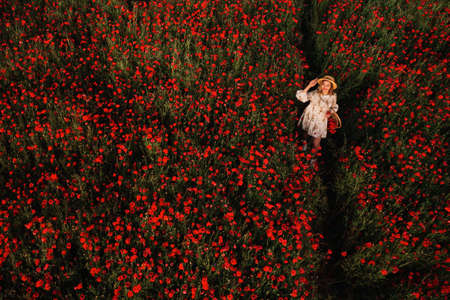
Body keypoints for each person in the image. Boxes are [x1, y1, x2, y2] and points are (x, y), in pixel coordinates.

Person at [295, 75, 338, 168]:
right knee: (305, 133)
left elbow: (334, 107)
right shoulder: (315, 93)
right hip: (310, 116)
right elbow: (301, 98)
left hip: (320, 120)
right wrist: (309, 86)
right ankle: (304, 146)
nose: (325, 87)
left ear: (331, 87)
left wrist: (330, 112)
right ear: (320, 85)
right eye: (323, 84)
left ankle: (313, 159)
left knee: (316, 142)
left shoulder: (333, 96)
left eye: (328, 85)